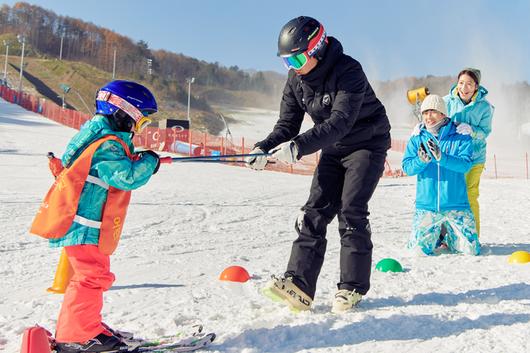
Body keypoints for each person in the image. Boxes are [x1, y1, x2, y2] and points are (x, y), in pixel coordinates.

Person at [246, 16, 391, 313]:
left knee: (351, 209)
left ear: (318, 47)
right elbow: (287, 124)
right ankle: (299, 284)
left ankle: (351, 288)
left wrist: (299, 147)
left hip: (367, 143)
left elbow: (340, 122)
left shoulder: (349, 71)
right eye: (286, 61)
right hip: (334, 147)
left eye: (297, 58)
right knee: (315, 209)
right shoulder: (296, 80)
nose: (293, 67)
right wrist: (264, 147)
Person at [30, 80, 160, 353]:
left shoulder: (96, 137)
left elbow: (114, 167)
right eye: (140, 123)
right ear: (122, 113)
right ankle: (78, 335)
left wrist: (137, 157)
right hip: (85, 226)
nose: (138, 130)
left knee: (88, 277)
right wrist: (149, 162)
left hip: (82, 225)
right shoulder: (105, 145)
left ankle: (83, 327)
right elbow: (126, 177)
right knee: (92, 278)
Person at [402, 94, 480, 256]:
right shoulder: (417, 137)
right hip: (427, 206)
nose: (428, 117)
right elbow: (407, 167)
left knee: (470, 250)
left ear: (443, 114)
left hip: (456, 205)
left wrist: (442, 158)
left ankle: (448, 236)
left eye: (433, 112)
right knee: (417, 252)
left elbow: (465, 164)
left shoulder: (460, 135)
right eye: (425, 112)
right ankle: (436, 235)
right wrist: (421, 161)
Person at [444, 68, 494, 236]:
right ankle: (447, 235)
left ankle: (472, 236)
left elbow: (485, 132)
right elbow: (432, 117)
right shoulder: (446, 102)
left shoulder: (485, 107)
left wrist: (472, 130)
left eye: (469, 84)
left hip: (475, 157)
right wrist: (421, 126)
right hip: (451, 157)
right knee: (449, 195)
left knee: (470, 195)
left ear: (476, 87)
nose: (464, 87)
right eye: (461, 83)